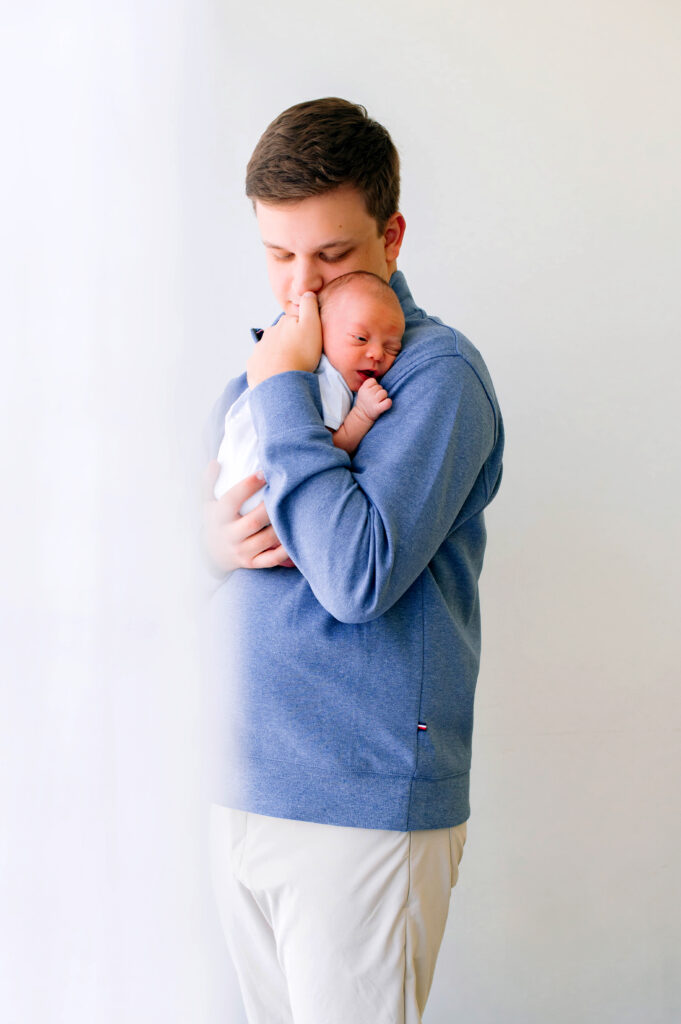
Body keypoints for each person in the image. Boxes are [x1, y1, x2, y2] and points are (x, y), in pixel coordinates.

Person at [202, 97, 504, 1024]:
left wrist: (284, 389)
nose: (300, 289)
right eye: (279, 255)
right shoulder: (262, 377)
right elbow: (213, 545)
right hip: (244, 784)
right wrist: (208, 548)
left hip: (361, 797)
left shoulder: (430, 376)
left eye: (331, 257)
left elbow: (355, 576)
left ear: (392, 235)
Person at [213, 271, 404, 513]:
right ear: (321, 328)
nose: (377, 353)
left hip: (229, 489)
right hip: (258, 493)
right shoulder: (331, 382)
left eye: (392, 348)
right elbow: (323, 450)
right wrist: (363, 414)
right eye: (360, 338)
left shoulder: (281, 354)